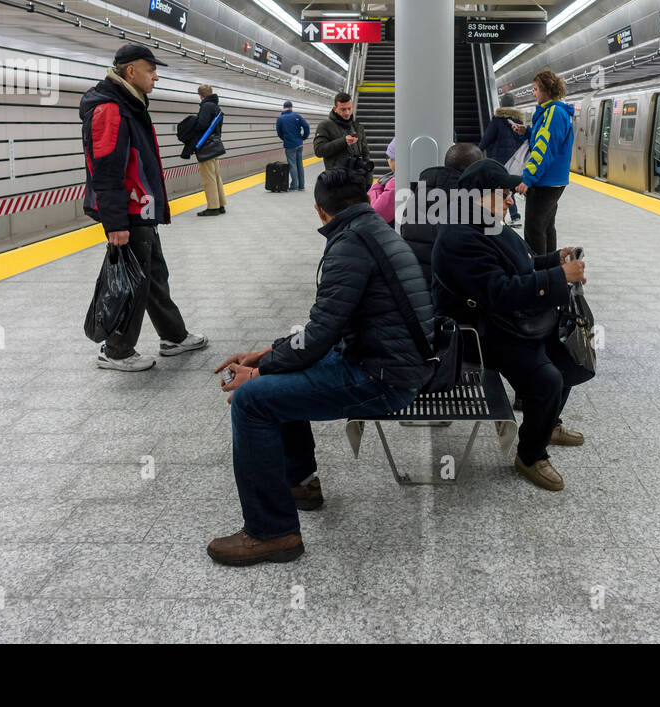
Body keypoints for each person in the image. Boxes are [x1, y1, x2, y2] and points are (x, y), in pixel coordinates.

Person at [207, 167, 433, 566]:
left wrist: (257, 375)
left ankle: (272, 532)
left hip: (382, 376)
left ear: (319, 211)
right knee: (276, 376)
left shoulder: (350, 245)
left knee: (252, 401)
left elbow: (318, 336)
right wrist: (267, 355)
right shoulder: (375, 231)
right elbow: (323, 330)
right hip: (386, 360)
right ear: (365, 199)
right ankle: (301, 484)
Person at [432, 159, 590, 492]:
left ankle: (546, 423)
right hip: (478, 332)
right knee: (547, 379)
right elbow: (499, 292)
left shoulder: (486, 223)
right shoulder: (461, 237)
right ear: (477, 196)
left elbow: (524, 262)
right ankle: (531, 455)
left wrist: (554, 259)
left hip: (504, 319)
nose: (509, 201)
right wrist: (558, 278)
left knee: (567, 358)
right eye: (504, 194)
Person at [80, 43, 208, 371]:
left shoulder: (130, 103)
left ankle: (173, 336)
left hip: (141, 209)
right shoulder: (110, 108)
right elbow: (106, 169)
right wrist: (115, 223)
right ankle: (116, 351)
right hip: (128, 212)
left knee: (152, 275)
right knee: (133, 281)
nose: (156, 77)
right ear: (130, 71)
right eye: (151, 70)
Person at [401, 142, 484, 287]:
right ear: (471, 170)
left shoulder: (416, 197)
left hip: (415, 281)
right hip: (448, 287)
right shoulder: (465, 203)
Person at [516, 70, 575, 254]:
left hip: (545, 181)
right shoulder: (554, 111)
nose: (533, 93)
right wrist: (527, 131)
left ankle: (538, 274)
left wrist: (528, 178)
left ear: (546, 90)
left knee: (534, 229)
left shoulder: (554, 112)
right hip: (553, 180)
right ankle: (549, 270)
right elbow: (543, 137)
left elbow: (544, 148)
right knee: (546, 227)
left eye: (535, 89)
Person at [478, 93, 527, 226]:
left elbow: (487, 138)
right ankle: (513, 215)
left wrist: (477, 151)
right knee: (506, 186)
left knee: (498, 187)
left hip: (499, 160)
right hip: (514, 160)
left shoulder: (498, 120)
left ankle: (497, 216)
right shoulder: (519, 121)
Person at [313, 91, 370, 175]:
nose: (347, 113)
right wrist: (343, 141)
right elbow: (319, 150)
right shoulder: (325, 126)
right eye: (343, 109)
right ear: (335, 109)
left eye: (349, 108)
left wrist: (368, 180)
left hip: (357, 180)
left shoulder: (357, 127)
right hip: (337, 180)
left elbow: (366, 154)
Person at [193, 84, 227, 216]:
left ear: (201, 96)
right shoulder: (217, 107)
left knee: (208, 178)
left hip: (206, 147)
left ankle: (213, 207)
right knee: (216, 176)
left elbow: (201, 125)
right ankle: (221, 204)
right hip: (215, 145)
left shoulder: (206, 106)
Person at [275, 100, 310, 191]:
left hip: (289, 145)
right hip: (299, 144)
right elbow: (306, 126)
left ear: (283, 108)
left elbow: (279, 133)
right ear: (291, 107)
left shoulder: (280, 119)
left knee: (292, 165)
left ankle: (294, 185)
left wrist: (285, 139)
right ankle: (301, 186)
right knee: (299, 164)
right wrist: (303, 137)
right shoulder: (297, 116)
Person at [368, 140, 398, 225]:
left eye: (388, 156)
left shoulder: (396, 182)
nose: (387, 160)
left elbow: (376, 215)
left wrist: (376, 187)